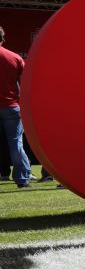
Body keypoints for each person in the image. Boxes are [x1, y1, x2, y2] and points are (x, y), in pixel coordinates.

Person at [0, 26, 28, 188]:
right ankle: (22, 179)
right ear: (3, 38)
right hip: (12, 106)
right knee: (16, 144)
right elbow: (25, 84)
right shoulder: (15, 57)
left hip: (11, 106)